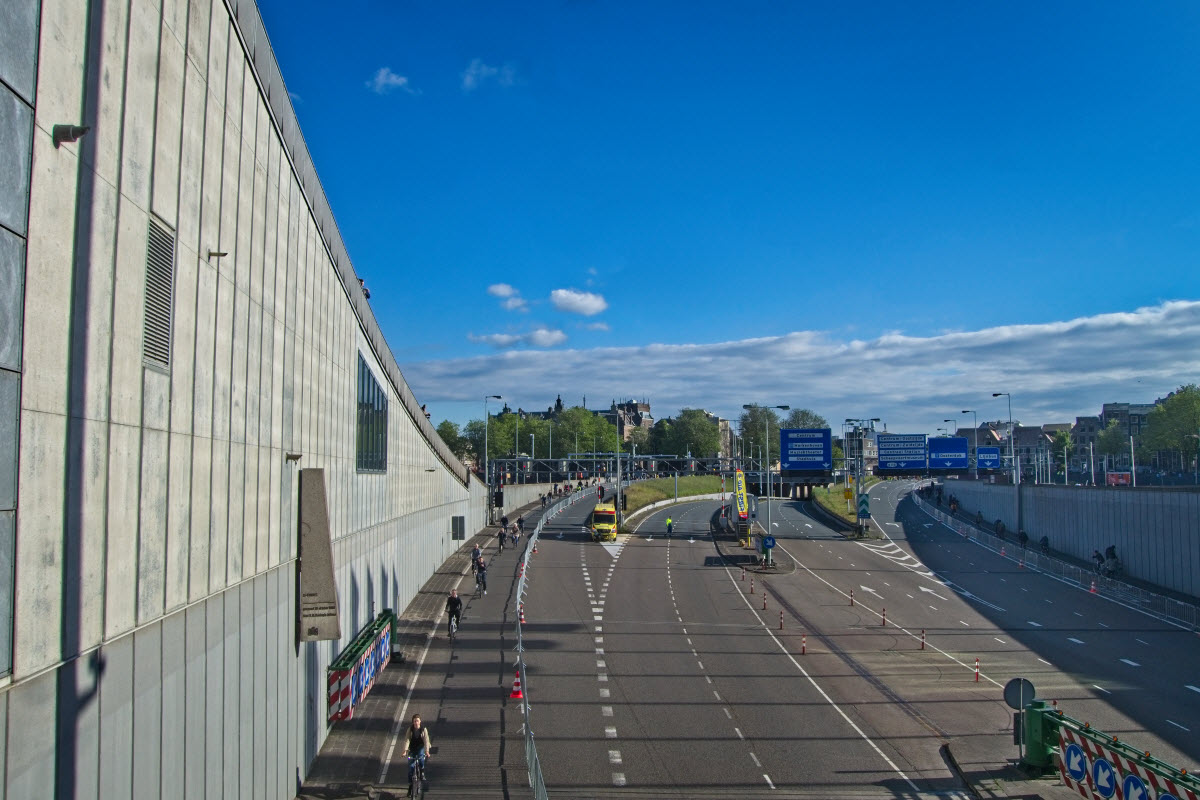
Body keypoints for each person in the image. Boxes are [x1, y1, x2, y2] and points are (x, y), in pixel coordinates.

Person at [401, 713, 432, 795]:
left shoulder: (423, 729)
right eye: (414, 721)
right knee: (411, 767)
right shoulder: (410, 729)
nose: (416, 722)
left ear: (420, 721)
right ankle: (410, 784)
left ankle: (422, 772)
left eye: (417, 721)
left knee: (421, 759)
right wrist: (405, 750)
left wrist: (427, 751)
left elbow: (426, 740)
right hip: (412, 748)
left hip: (421, 747)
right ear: (413, 722)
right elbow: (407, 740)